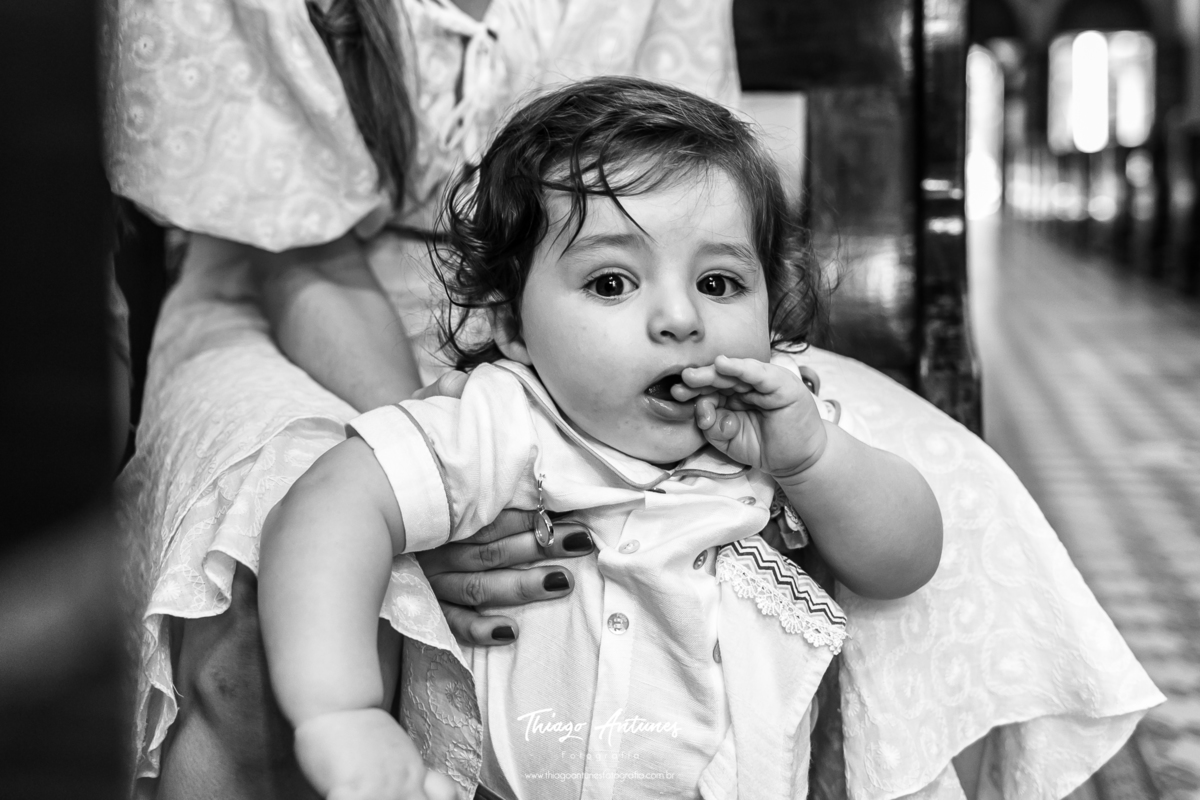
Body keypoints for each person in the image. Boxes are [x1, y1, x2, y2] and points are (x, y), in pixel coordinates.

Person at [257, 77, 1163, 800]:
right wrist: (339, 708)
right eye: (612, 283)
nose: (680, 319)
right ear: (510, 323)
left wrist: (815, 461)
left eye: (723, 283)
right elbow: (333, 506)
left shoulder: (772, 435)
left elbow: (906, 559)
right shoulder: (505, 420)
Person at [106, 1, 740, 796]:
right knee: (263, 551)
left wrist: (819, 457)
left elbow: (685, 208)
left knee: (944, 486)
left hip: (623, 299)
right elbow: (306, 258)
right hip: (297, 284)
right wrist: (439, 473)